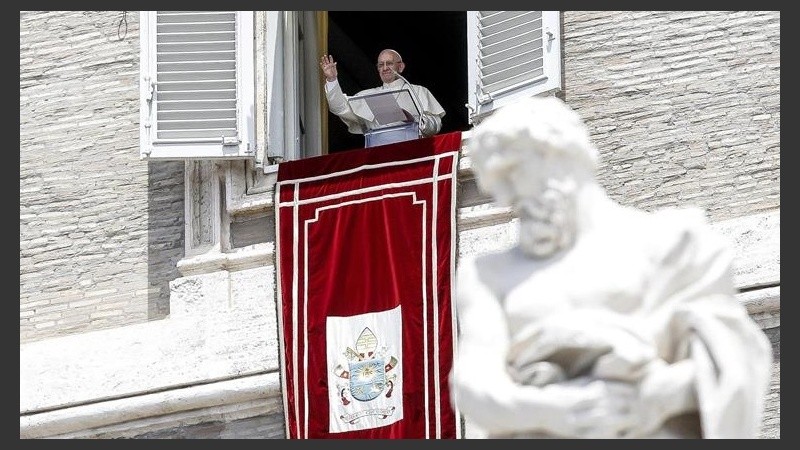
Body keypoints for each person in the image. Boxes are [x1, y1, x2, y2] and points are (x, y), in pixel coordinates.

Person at [448, 96, 773, 438]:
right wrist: (556, 411)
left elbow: (734, 360)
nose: (504, 197)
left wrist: (659, 399)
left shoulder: (673, 243)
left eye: (510, 173)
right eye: (493, 185)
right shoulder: (486, 273)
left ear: (558, 153)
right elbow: (472, 384)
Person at [319, 49, 445, 139]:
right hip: (378, 152)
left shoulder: (418, 91)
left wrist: (414, 121)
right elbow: (339, 108)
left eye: (389, 63)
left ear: (400, 67)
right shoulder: (368, 95)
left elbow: (435, 125)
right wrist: (332, 80)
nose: (385, 68)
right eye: (381, 65)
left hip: (411, 150)